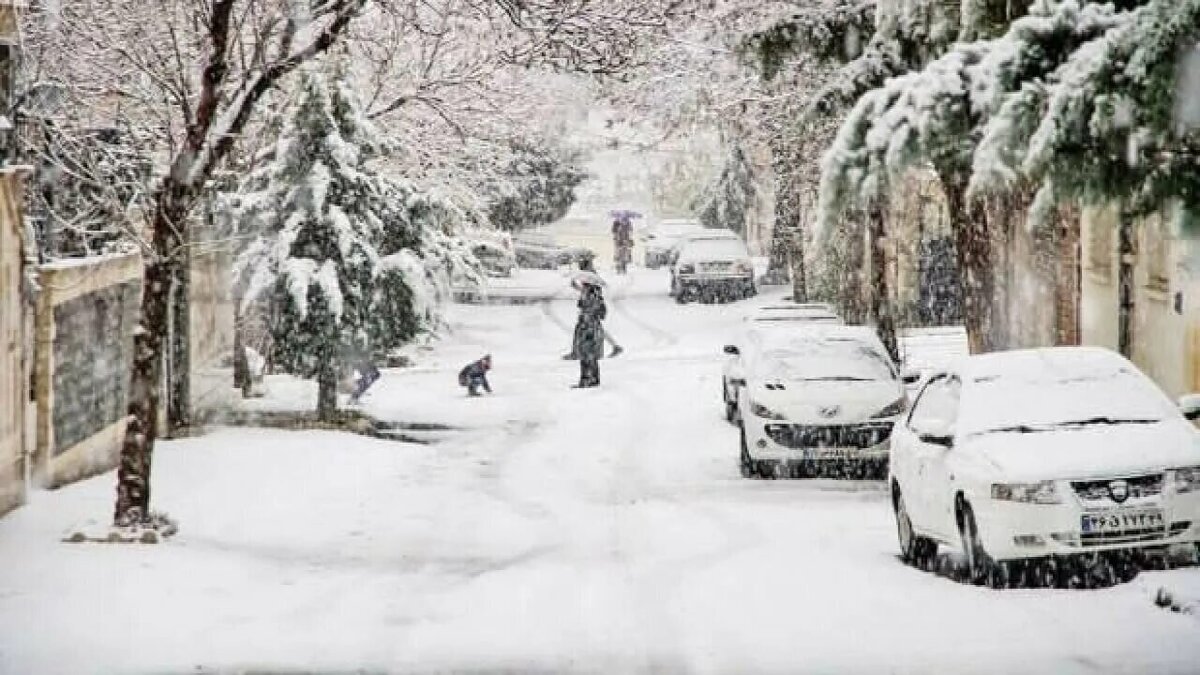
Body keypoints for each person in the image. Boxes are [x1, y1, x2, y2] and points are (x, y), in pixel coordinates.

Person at [562, 252, 623, 359]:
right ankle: (613, 347)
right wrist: (576, 286)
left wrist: (589, 307)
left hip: (592, 308)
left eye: (581, 264)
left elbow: (592, 293)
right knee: (593, 329)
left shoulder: (591, 277)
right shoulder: (588, 277)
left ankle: (578, 353)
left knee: (583, 330)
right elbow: (586, 291)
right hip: (591, 307)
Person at [573, 279, 606, 388]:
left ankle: (587, 379)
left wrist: (588, 313)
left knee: (587, 355)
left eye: (584, 285)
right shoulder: (596, 296)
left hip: (588, 328)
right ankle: (593, 379)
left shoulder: (591, 297)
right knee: (589, 355)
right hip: (590, 327)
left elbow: (599, 313)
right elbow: (602, 314)